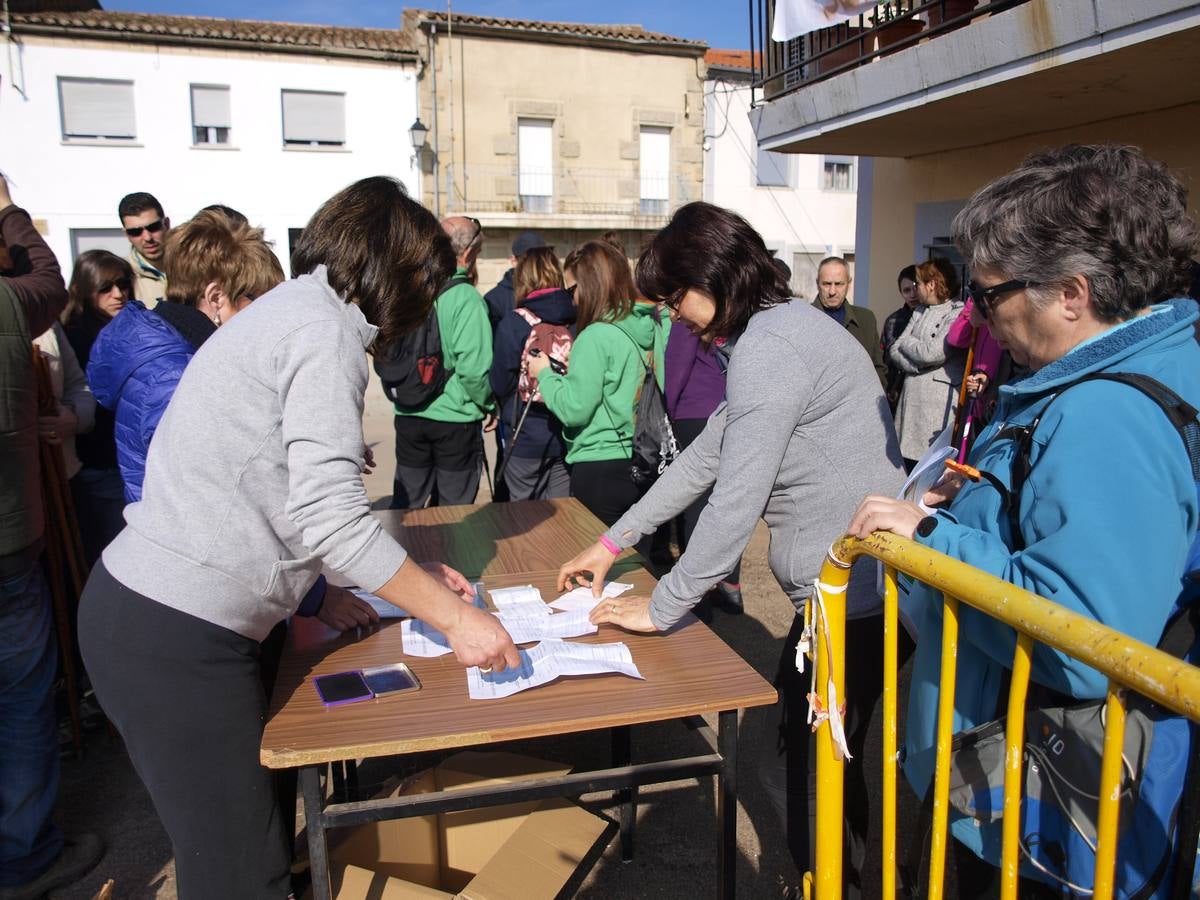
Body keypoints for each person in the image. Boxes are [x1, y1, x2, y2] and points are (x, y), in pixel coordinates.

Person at [77, 177, 520, 900]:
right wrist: (457, 620)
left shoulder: (297, 309)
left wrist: (403, 576)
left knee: (247, 850)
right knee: (239, 876)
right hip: (174, 634)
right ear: (398, 274)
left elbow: (282, 491)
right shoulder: (325, 332)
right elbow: (333, 518)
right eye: (426, 288)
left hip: (163, 620)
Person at [847, 143, 1200, 894]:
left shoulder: (1105, 412)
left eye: (988, 294)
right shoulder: (1161, 366)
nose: (978, 315)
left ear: (1071, 293)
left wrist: (932, 540)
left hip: (1030, 803)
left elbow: (1084, 634)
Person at [552, 203, 906, 896]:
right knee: (811, 760)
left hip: (852, 599)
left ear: (714, 274)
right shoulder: (775, 335)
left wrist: (663, 607)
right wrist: (611, 542)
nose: (674, 316)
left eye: (677, 297)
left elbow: (735, 499)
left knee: (801, 768)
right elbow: (702, 460)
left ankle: (835, 881)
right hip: (844, 594)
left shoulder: (773, 345)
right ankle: (844, 874)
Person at [0, 175, 105, 899]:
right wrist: (8, 209)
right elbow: (48, 278)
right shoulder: (10, 302)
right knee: (19, 697)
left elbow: (77, 394)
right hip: (11, 543)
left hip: (31, 522)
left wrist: (70, 418)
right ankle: (27, 855)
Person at [87, 209, 284, 502]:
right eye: (257, 300)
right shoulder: (175, 378)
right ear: (217, 298)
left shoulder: (189, 354)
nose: (266, 315)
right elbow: (209, 489)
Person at [527, 240, 667, 527]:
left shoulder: (595, 336)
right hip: (644, 459)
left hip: (600, 463)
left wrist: (545, 373)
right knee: (636, 563)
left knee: (602, 564)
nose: (570, 299)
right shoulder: (652, 325)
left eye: (571, 289)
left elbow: (575, 408)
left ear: (589, 285)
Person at [390, 215, 493, 509]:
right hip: (455, 420)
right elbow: (473, 371)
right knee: (453, 511)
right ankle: (446, 555)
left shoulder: (410, 292)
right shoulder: (466, 299)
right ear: (469, 252)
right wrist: (488, 404)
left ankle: (402, 554)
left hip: (409, 413)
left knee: (406, 510)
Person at [663, 319, 743, 615]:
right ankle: (730, 585)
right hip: (726, 408)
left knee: (696, 503)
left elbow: (676, 370)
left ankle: (697, 593)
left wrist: (670, 411)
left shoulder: (687, 320)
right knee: (726, 501)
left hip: (694, 411)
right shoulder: (731, 313)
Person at [61, 249, 133, 566]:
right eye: (106, 287)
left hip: (123, 461)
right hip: (98, 463)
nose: (117, 294)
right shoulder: (75, 336)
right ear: (85, 290)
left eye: (122, 284)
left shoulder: (129, 328)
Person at [489, 245, 575, 500]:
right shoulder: (574, 319)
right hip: (564, 433)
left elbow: (500, 381)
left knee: (524, 516)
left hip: (524, 435)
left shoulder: (515, 322)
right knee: (561, 515)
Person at [888, 257, 966, 468]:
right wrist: (916, 366)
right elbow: (895, 348)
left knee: (932, 465)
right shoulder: (919, 311)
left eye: (918, 284)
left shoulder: (957, 312)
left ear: (931, 285)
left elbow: (933, 353)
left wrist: (910, 343)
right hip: (911, 402)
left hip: (936, 406)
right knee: (905, 463)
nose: (916, 289)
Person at [813, 256, 886, 387]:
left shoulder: (866, 319)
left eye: (839, 284)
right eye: (827, 284)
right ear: (817, 283)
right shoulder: (803, 320)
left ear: (849, 283)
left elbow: (877, 368)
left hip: (859, 402)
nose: (832, 291)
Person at [484, 229, 547, 330]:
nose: (534, 266)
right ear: (513, 261)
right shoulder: (494, 300)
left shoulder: (552, 295)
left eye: (540, 260)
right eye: (528, 260)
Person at [118, 191, 169, 307]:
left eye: (153, 227)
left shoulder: (193, 265)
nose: (147, 238)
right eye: (135, 232)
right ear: (126, 235)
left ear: (166, 224)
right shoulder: (122, 278)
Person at [880, 264, 919, 414]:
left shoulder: (934, 319)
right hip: (894, 395)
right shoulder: (893, 320)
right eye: (906, 290)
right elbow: (885, 359)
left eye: (915, 287)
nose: (912, 294)